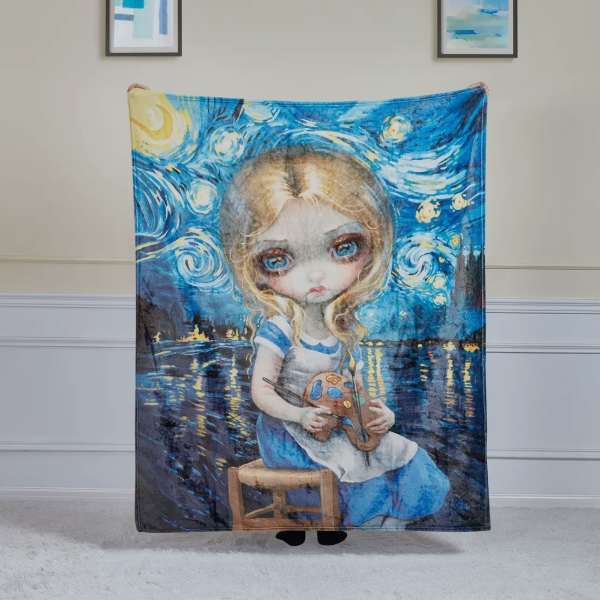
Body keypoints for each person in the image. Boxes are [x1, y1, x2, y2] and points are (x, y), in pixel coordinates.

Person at [220, 146, 449, 545]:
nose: (315, 276)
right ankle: (332, 519)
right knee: (349, 460)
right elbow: (261, 390)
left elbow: (352, 392)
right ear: (253, 267)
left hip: (335, 425)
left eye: (342, 247)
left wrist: (378, 414)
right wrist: (299, 414)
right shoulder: (280, 327)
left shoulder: (341, 328)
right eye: (279, 258)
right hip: (290, 432)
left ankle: (383, 520)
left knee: (395, 447)